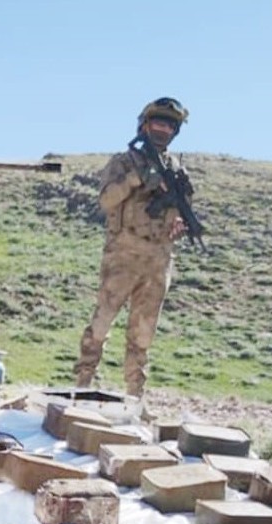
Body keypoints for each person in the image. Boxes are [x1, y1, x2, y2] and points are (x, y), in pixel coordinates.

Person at [73, 96, 195, 399]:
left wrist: (179, 226)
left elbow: (180, 212)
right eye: (158, 122)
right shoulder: (125, 162)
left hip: (158, 260)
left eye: (169, 125)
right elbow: (106, 201)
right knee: (101, 323)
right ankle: (82, 386)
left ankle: (135, 398)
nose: (163, 129)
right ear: (144, 124)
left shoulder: (177, 171)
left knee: (143, 334)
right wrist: (134, 179)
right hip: (124, 254)